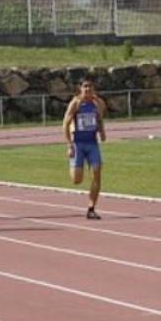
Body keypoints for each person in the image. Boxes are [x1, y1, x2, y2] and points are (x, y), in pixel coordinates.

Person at [63, 78, 107, 220]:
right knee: (77, 180)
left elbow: (99, 118)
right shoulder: (75, 103)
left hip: (92, 143)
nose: (87, 89)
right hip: (78, 144)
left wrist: (102, 131)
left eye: (90, 86)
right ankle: (72, 164)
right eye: (85, 86)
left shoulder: (97, 103)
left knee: (97, 173)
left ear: (93, 88)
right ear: (80, 88)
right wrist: (69, 144)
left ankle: (91, 208)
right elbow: (65, 124)